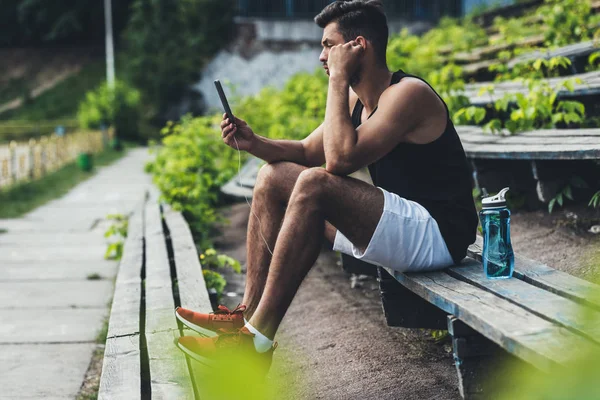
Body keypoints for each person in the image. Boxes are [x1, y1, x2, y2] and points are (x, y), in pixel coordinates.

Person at [174, 0, 478, 375]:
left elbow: (337, 162)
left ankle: (256, 342)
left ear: (358, 46)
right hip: (398, 224)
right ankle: (245, 318)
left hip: (437, 234)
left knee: (315, 183)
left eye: (328, 45)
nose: (322, 56)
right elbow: (305, 150)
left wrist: (337, 80)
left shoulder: (408, 93)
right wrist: (254, 143)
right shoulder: (355, 99)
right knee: (272, 177)